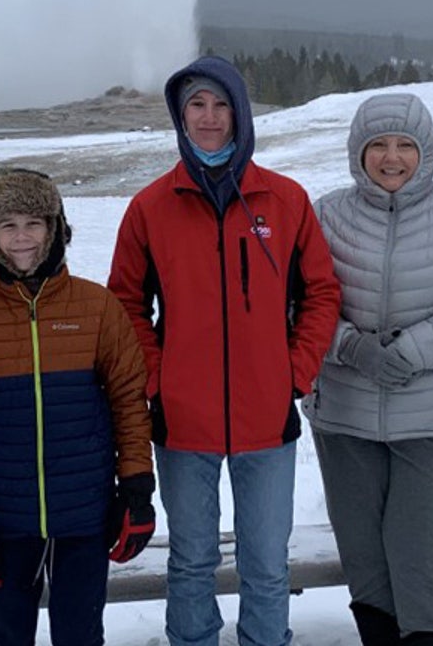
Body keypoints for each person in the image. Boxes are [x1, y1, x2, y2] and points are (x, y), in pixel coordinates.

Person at [106, 56, 343, 646]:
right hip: (183, 422)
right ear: (180, 116)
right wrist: (159, 379)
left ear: (239, 112)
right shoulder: (150, 207)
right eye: (196, 105)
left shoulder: (284, 201)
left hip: (267, 419)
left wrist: (296, 370)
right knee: (190, 561)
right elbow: (126, 304)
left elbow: (321, 292)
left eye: (220, 104)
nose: (209, 118)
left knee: (266, 565)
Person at [304, 92, 433, 646]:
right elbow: (296, 303)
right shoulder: (325, 215)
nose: (391, 157)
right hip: (346, 416)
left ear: (427, 152)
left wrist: (411, 350)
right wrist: (350, 347)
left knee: (425, 562)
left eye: (405, 145)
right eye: (378, 145)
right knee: (366, 561)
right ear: (358, 152)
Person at [0, 169, 156, 646]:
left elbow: (129, 403)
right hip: (4, 517)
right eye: (6, 225)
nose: (21, 238)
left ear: (55, 228)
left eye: (33, 223)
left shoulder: (97, 308)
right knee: (8, 634)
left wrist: (136, 488)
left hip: (86, 513)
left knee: (79, 632)